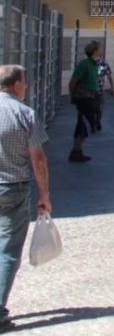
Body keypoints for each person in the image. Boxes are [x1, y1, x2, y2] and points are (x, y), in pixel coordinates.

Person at [0, 65, 51, 332]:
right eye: (25, 82)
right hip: (12, 187)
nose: (27, 87)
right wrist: (44, 195)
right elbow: (39, 159)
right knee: (7, 250)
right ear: (16, 85)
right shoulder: (24, 114)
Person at [67, 41, 103, 162]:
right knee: (85, 124)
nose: (100, 51)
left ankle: (77, 150)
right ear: (94, 51)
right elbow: (73, 82)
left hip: (91, 98)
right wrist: (73, 96)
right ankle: (76, 150)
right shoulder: (85, 65)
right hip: (83, 98)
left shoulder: (94, 64)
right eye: (99, 49)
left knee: (85, 124)